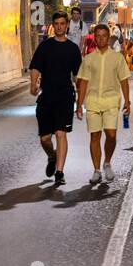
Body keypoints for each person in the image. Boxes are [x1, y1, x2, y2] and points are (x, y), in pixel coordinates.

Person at [28, 11, 82, 185]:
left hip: (65, 96)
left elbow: (77, 75)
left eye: (62, 23)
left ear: (67, 25)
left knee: (61, 133)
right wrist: (33, 84)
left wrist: (80, 96)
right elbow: (35, 66)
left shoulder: (73, 49)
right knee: (45, 138)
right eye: (56, 23)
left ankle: (60, 172)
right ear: (53, 25)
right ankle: (52, 156)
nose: (59, 27)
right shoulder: (45, 46)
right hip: (46, 97)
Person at [75, 23, 131, 184]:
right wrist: (79, 104)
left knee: (111, 135)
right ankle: (97, 170)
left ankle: (107, 162)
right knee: (94, 136)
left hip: (111, 100)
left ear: (109, 37)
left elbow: (124, 80)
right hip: (93, 101)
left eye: (104, 36)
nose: (101, 39)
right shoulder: (89, 59)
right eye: (98, 36)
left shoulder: (117, 58)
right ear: (95, 38)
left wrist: (127, 101)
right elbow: (83, 82)